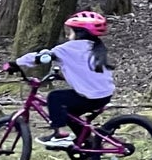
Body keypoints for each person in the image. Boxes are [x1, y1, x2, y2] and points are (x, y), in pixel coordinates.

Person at [14, 10, 116, 149]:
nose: (69, 36)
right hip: (104, 95)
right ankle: (88, 141)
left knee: (55, 98)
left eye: (71, 32)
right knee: (68, 113)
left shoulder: (68, 48)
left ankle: (60, 134)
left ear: (80, 32)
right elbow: (85, 71)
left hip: (90, 96)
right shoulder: (96, 48)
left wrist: (16, 63)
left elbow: (42, 57)